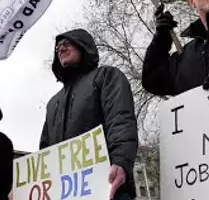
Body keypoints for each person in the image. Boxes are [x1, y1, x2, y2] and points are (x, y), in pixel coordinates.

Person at [39, 28, 139, 200]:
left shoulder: (105, 76)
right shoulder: (52, 104)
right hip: (65, 192)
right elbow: (45, 151)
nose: (61, 49)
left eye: (66, 44)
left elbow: (120, 119)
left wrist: (121, 162)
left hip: (107, 186)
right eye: (57, 48)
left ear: (83, 46)